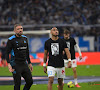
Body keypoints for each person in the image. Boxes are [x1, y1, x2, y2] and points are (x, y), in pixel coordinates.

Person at [5, 24, 33, 90]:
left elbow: (27, 52)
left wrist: (29, 63)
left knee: (30, 81)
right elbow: (6, 53)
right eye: (18, 29)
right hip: (15, 64)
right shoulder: (11, 40)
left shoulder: (25, 38)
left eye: (21, 28)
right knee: (17, 84)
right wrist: (8, 64)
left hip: (24, 64)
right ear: (14, 31)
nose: (20, 30)